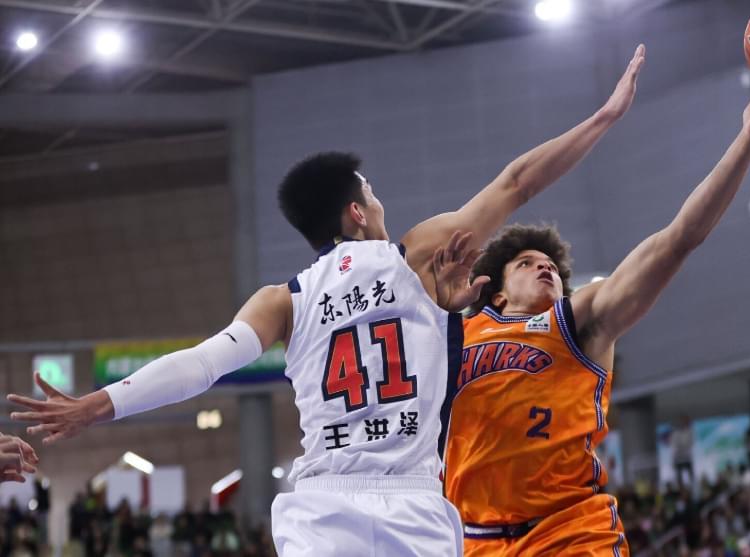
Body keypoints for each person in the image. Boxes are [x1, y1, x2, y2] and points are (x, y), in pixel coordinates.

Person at [7, 45, 647, 557]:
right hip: (412, 503)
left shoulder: (282, 300)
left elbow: (202, 365)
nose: (381, 203)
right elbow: (517, 182)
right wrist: (604, 118)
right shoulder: (416, 257)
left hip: (323, 508)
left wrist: (98, 405)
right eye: (373, 194)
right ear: (356, 212)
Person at [445, 79, 750, 556]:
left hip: (568, 531)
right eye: (526, 263)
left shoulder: (576, 320)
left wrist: (748, 137)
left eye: (551, 266)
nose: (545, 268)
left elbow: (678, 238)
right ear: (497, 295)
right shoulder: (454, 336)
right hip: (474, 540)